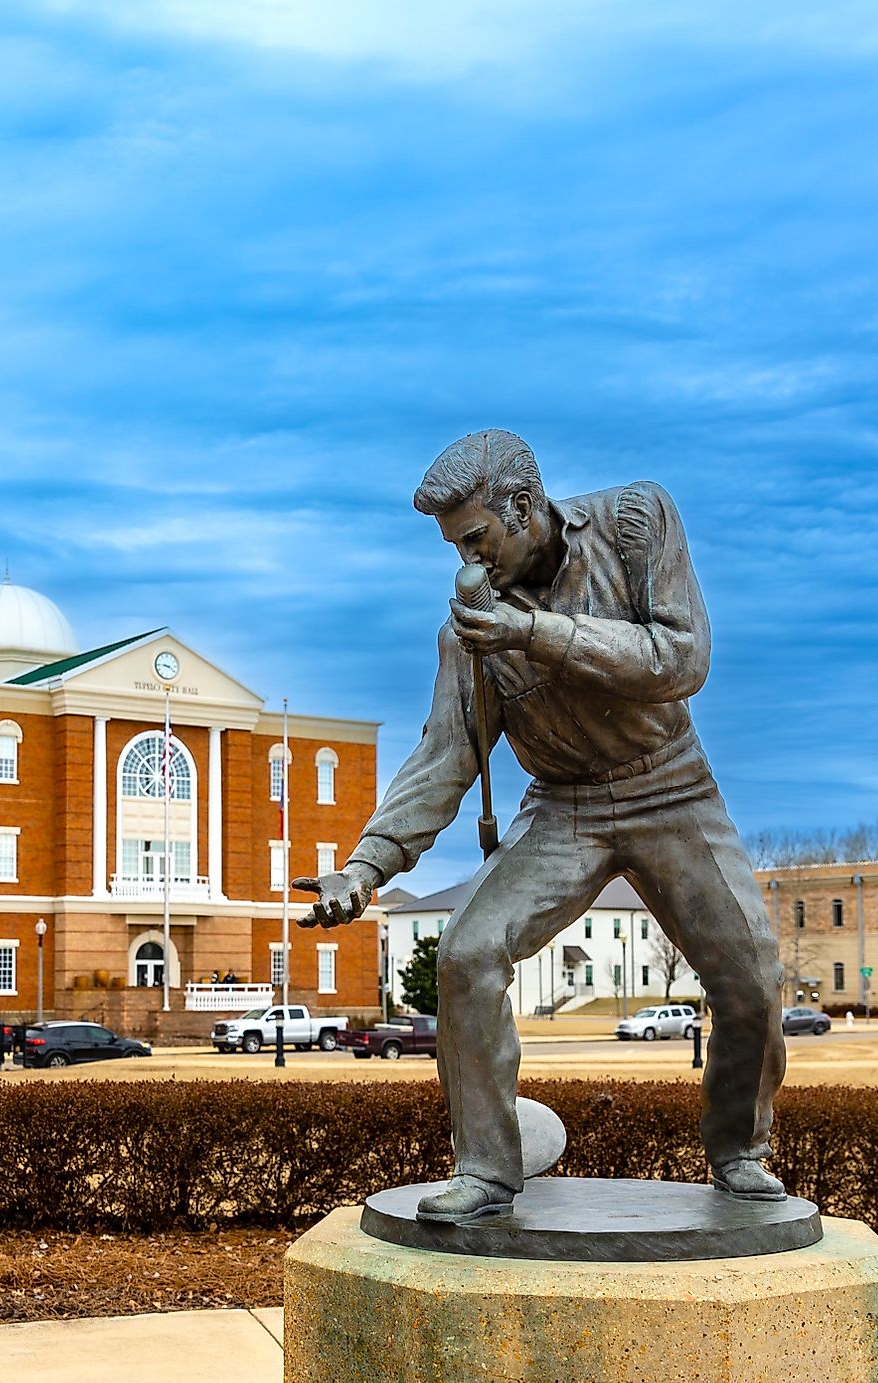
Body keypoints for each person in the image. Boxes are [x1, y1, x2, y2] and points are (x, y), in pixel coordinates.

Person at [301, 429, 784, 1222]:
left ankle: (740, 1150)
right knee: (465, 952)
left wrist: (536, 635)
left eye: (475, 537)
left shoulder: (637, 521)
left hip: (672, 788)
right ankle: (488, 1170)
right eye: (454, 543)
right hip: (561, 806)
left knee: (752, 974)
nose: (464, 559)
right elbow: (446, 756)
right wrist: (367, 867)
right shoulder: (470, 630)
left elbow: (682, 657)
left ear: (524, 507)